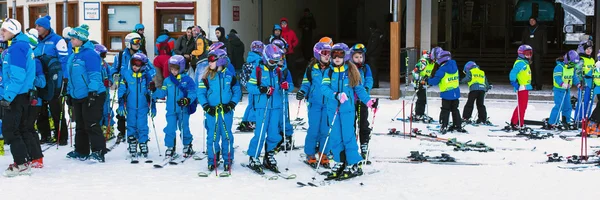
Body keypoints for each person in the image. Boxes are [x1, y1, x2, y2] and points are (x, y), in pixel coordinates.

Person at [321, 43, 378, 180]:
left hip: (347, 110)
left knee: (348, 136)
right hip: (333, 110)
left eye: (340, 55)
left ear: (345, 56)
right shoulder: (329, 71)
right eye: (334, 55)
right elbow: (324, 88)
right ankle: (340, 161)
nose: (337, 58)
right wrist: (336, 95)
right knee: (335, 137)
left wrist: (368, 101)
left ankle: (353, 163)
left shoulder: (351, 71)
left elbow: (359, 89)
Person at [64, 24, 107, 163]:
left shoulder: (90, 54)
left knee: (92, 123)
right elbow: (71, 77)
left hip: (93, 94)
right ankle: (81, 150)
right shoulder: (74, 55)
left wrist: (93, 93)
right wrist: (69, 93)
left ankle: (98, 151)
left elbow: (95, 75)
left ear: (81, 39)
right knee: (80, 124)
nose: (70, 40)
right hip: (78, 95)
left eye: (73, 38)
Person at [1, 18, 37, 177]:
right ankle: (24, 160)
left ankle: (21, 164)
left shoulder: (17, 48)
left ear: (13, 31)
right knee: (19, 128)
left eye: (4, 30)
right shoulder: (20, 45)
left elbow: (18, 76)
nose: (1, 33)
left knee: (10, 130)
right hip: (20, 95)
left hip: (16, 96)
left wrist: (7, 96)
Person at [197, 49, 241, 172]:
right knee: (212, 136)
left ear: (221, 60)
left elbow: (237, 92)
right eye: (208, 60)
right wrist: (206, 106)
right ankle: (212, 159)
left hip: (226, 111)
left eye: (212, 60)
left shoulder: (229, 76)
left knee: (227, 135)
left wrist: (231, 104)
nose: (209, 63)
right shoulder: (206, 77)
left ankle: (228, 159)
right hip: (212, 111)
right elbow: (201, 93)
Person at [245, 44, 286, 174]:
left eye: (276, 61)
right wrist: (261, 89)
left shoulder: (278, 71)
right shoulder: (258, 70)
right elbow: (250, 87)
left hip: (276, 106)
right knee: (260, 132)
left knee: (274, 133)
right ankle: (254, 156)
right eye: (272, 61)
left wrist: (285, 86)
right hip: (263, 106)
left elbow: (283, 86)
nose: (274, 64)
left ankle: (269, 155)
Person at [33, 15, 70, 145]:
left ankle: (62, 136)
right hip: (41, 77)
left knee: (56, 108)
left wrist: (65, 79)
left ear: (46, 28)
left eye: (39, 26)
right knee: (41, 108)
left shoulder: (57, 40)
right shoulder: (37, 40)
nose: (37, 28)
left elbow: (64, 60)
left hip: (55, 79)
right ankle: (45, 135)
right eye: (36, 25)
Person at [152, 55, 197, 158]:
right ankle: (170, 147)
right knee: (170, 128)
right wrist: (155, 91)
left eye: (176, 69)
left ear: (181, 68)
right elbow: (163, 93)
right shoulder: (167, 80)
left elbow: (193, 92)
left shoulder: (187, 80)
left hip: (183, 110)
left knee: (184, 127)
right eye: (171, 69)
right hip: (171, 110)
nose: (173, 71)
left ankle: (187, 145)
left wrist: (187, 100)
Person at [297, 42, 331, 168]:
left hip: (328, 104)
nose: (327, 56)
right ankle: (310, 153)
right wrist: (302, 91)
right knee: (313, 129)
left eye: (329, 53)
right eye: (324, 53)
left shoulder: (332, 69)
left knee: (325, 130)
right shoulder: (311, 68)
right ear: (318, 54)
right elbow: (306, 83)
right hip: (314, 104)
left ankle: (324, 153)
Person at [117, 53, 156, 161]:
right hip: (130, 106)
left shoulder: (146, 76)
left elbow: (151, 93)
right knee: (131, 124)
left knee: (142, 125)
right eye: (133, 64)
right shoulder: (126, 74)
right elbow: (122, 89)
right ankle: (132, 142)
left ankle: (143, 142)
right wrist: (121, 103)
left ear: (143, 66)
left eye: (138, 65)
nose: (135, 67)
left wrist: (153, 106)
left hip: (143, 106)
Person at [111, 32, 143, 142]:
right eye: (136, 42)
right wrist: (114, 75)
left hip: (136, 86)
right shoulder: (120, 56)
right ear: (129, 43)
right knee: (121, 107)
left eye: (140, 41)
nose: (138, 44)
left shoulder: (141, 56)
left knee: (135, 109)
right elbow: (114, 69)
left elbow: (149, 69)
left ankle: (137, 130)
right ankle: (121, 130)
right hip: (123, 86)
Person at [22, 29, 45, 169]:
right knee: (25, 127)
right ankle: (31, 156)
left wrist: (30, 77)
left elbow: (42, 82)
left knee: (29, 128)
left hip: (35, 100)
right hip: (25, 99)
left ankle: (37, 157)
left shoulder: (35, 62)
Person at [427, 50, 466, 134]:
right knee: (455, 109)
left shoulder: (442, 69)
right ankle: (457, 125)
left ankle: (444, 126)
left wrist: (428, 80)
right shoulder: (455, 66)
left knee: (445, 110)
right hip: (455, 93)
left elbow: (435, 81)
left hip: (446, 94)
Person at [544, 51, 581, 130]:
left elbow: (574, 77)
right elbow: (557, 78)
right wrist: (562, 84)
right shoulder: (559, 67)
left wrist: (578, 83)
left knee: (568, 106)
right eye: (572, 63)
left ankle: (566, 120)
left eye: (574, 63)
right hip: (559, 90)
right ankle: (552, 122)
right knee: (559, 106)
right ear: (567, 60)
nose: (573, 65)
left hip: (567, 90)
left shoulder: (572, 68)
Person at [349, 43, 374, 159]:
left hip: (363, 100)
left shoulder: (366, 67)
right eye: (356, 57)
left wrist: (367, 88)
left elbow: (369, 79)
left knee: (363, 123)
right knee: (351, 123)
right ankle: (352, 145)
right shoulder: (349, 67)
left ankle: (364, 144)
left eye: (361, 57)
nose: (359, 59)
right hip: (351, 101)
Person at [238, 41, 264, 132]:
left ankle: (245, 120)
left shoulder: (249, 59)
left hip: (249, 87)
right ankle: (252, 122)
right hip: (256, 87)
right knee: (255, 104)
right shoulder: (259, 61)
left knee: (250, 104)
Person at [506, 45, 534, 131]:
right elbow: (512, 73)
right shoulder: (520, 63)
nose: (529, 55)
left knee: (522, 106)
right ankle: (517, 122)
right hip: (521, 87)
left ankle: (516, 121)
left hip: (525, 87)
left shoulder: (524, 62)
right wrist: (515, 83)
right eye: (527, 53)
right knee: (522, 106)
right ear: (522, 54)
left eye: (530, 53)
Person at [94, 44, 115, 140]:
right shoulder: (93, 64)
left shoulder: (105, 64)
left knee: (106, 109)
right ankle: (98, 127)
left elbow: (110, 74)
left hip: (105, 91)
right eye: (102, 55)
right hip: (95, 91)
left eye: (105, 55)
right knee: (97, 111)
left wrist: (110, 81)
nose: (104, 57)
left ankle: (108, 127)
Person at [521, 16, 547, 91]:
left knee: (537, 69)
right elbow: (523, 41)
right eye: (530, 20)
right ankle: (531, 84)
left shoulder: (541, 30)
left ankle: (538, 85)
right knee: (529, 69)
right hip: (528, 53)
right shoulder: (526, 30)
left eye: (533, 20)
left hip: (538, 53)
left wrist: (544, 52)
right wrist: (522, 51)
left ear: (536, 21)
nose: (531, 22)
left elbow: (544, 41)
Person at [574, 40, 595, 125]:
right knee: (583, 102)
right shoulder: (581, 59)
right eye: (587, 49)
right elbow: (577, 72)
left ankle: (586, 119)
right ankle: (578, 119)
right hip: (584, 83)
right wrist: (579, 83)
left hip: (592, 84)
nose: (589, 50)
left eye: (590, 48)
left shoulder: (592, 60)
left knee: (590, 102)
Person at [411, 50, 435, 122]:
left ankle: (421, 113)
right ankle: (418, 114)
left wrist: (428, 79)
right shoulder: (424, 62)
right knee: (421, 98)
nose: (435, 60)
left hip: (423, 83)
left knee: (423, 98)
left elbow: (427, 73)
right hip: (417, 82)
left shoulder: (432, 63)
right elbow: (414, 71)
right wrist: (419, 79)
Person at [279, 18, 300, 87]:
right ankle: (282, 83)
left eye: (285, 23)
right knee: (282, 68)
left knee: (292, 68)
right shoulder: (279, 33)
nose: (284, 25)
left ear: (287, 24)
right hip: (281, 55)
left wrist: (291, 46)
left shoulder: (291, 32)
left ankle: (294, 83)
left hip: (290, 53)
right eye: (282, 24)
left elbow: (296, 41)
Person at [366, 21, 384, 88]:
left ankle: (374, 84)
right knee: (374, 69)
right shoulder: (378, 34)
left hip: (373, 55)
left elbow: (372, 46)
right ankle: (375, 84)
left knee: (373, 70)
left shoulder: (375, 35)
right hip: (375, 55)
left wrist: (367, 53)